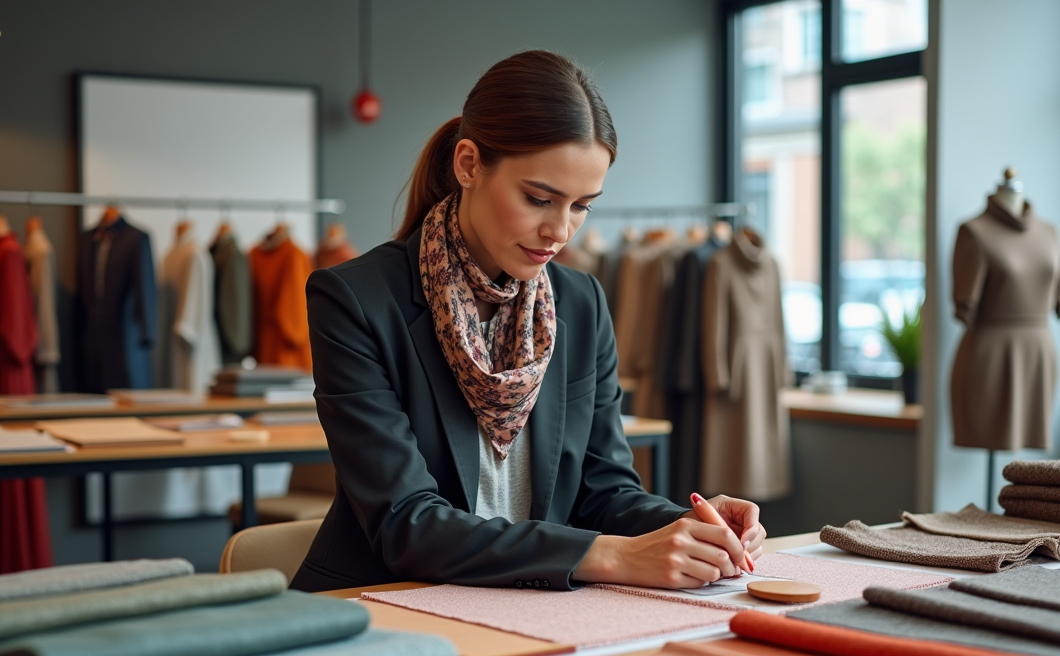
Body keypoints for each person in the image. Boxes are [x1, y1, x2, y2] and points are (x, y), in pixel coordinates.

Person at [289, 50, 766, 593]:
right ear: (468, 165)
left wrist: (688, 525)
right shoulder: (355, 298)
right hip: (382, 603)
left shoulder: (580, 303)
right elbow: (407, 525)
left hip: (528, 604)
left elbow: (603, 491)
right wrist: (611, 557)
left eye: (582, 206)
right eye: (539, 198)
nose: (560, 231)